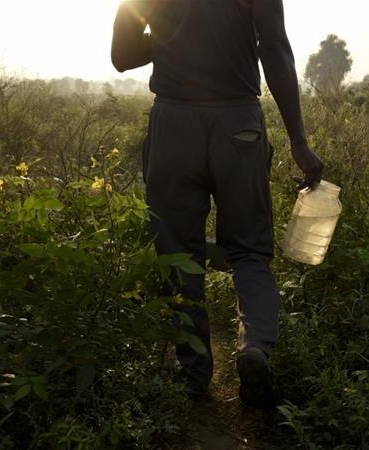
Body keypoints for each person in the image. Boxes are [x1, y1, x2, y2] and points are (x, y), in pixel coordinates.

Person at [111, 0, 322, 408]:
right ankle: (255, 348)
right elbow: (274, 47)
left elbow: (122, 56)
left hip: (174, 126)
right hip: (239, 124)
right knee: (250, 250)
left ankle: (193, 375)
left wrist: (173, 36)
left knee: (178, 252)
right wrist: (298, 141)